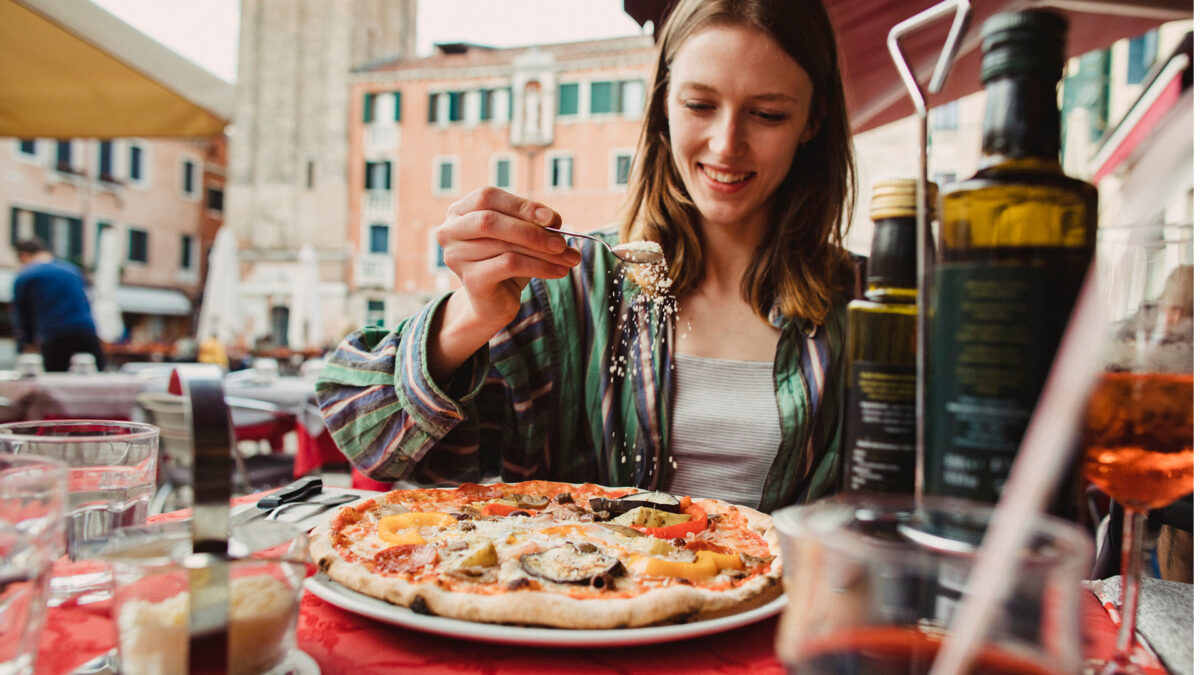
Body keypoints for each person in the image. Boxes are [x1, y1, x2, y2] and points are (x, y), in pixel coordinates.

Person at [317, 0, 857, 512]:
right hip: (583, 602)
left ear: (813, 121)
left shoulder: (867, 306)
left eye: (767, 114)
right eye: (700, 105)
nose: (725, 144)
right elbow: (366, 437)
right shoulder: (572, 285)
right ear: (664, 102)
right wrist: (470, 314)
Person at [11, 238, 107, 372]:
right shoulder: (73, 271)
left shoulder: (26, 275)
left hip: (54, 335)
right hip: (86, 331)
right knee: (97, 380)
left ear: (24, 256)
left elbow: (23, 315)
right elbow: (88, 301)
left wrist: (26, 344)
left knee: (55, 383)